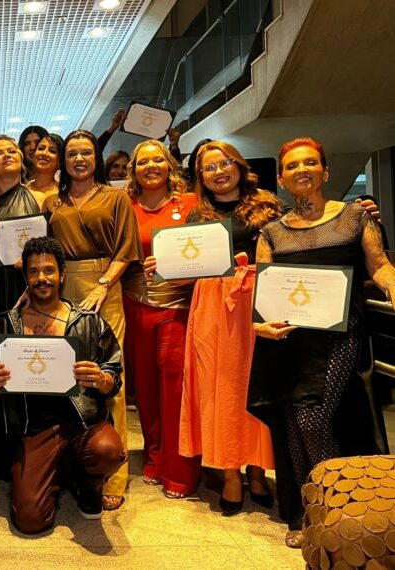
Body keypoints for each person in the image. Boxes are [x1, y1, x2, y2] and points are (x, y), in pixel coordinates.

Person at [247, 137, 395, 547]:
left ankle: (336, 509)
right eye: (292, 166)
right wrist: (258, 325)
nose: (302, 171)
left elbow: (380, 266)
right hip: (287, 339)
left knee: (312, 418)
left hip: (339, 335)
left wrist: (393, 289)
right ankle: (304, 512)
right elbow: (264, 287)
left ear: (325, 172)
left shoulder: (354, 218)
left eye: (310, 163)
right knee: (293, 422)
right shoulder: (271, 231)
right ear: (281, 178)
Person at [0, 237, 126, 534]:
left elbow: (114, 376)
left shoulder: (88, 322)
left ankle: (88, 485)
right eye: (34, 272)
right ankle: (60, 472)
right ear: (25, 277)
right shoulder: (6, 325)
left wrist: (101, 379)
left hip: (82, 423)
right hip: (34, 430)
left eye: (48, 270)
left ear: (62, 274)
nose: (41, 278)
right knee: (30, 520)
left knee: (108, 451)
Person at [174, 141, 281, 515]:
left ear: (238, 165)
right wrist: (165, 263)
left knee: (257, 382)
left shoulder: (269, 205)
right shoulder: (196, 214)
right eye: (208, 168)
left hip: (258, 299)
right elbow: (186, 263)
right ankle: (231, 471)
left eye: (224, 164)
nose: (218, 172)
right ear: (200, 176)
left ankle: (257, 468)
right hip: (212, 304)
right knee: (220, 387)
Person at [41, 129, 143, 510]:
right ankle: (73, 463)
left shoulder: (115, 197)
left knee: (107, 376)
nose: (79, 159)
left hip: (105, 286)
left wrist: (103, 285)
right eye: (72, 153)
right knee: (66, 376)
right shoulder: (53, 202)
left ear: (96, 158)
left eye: (86, 152)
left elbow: (126, 249)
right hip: (64, 286)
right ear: (63, 161)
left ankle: (113, 473)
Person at [120, 139, 201, 499]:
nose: (150, 167)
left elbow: (211, 248)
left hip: (179, 307)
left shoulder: (191, 205)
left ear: (169, 165)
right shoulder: (125, 205)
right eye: (142, 162)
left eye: (157, 160)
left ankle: (180, 468)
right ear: (133, 170)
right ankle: (153, 457)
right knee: (146, 389)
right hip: (135, 304)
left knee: (175, 389)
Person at [0, 135, 40, 318]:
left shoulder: (40, 198)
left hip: (29, 280)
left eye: (12, 151)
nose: (6, 155)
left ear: (21, 159)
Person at [28, 134, 63, 207]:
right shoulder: (24, 188)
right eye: (41, 148)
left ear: (60, 159)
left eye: (52, 151)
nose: (44, 153)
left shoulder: (63, 193)